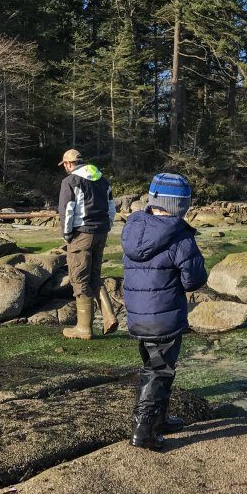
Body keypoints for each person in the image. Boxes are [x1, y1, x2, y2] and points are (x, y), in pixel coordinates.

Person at [121, 173, 207, 451]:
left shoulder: (134, 228)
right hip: (164, 317)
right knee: (159, 372)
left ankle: (159, 418)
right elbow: (193, 280)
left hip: (138, 315)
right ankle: (144, 430)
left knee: (154, 368)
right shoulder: (180, 236)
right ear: (181, 206)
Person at [58, 148, 118, 339]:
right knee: (94, 274)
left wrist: (67, 235)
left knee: (79, 277)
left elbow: (67, 210)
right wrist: (107, 226)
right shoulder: (102, 180)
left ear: (68, 164)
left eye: (64, 165)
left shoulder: (70, 181)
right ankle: (109, 317)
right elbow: (111, 209)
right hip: (101, 232)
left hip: (82, 233)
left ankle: (84, 328)